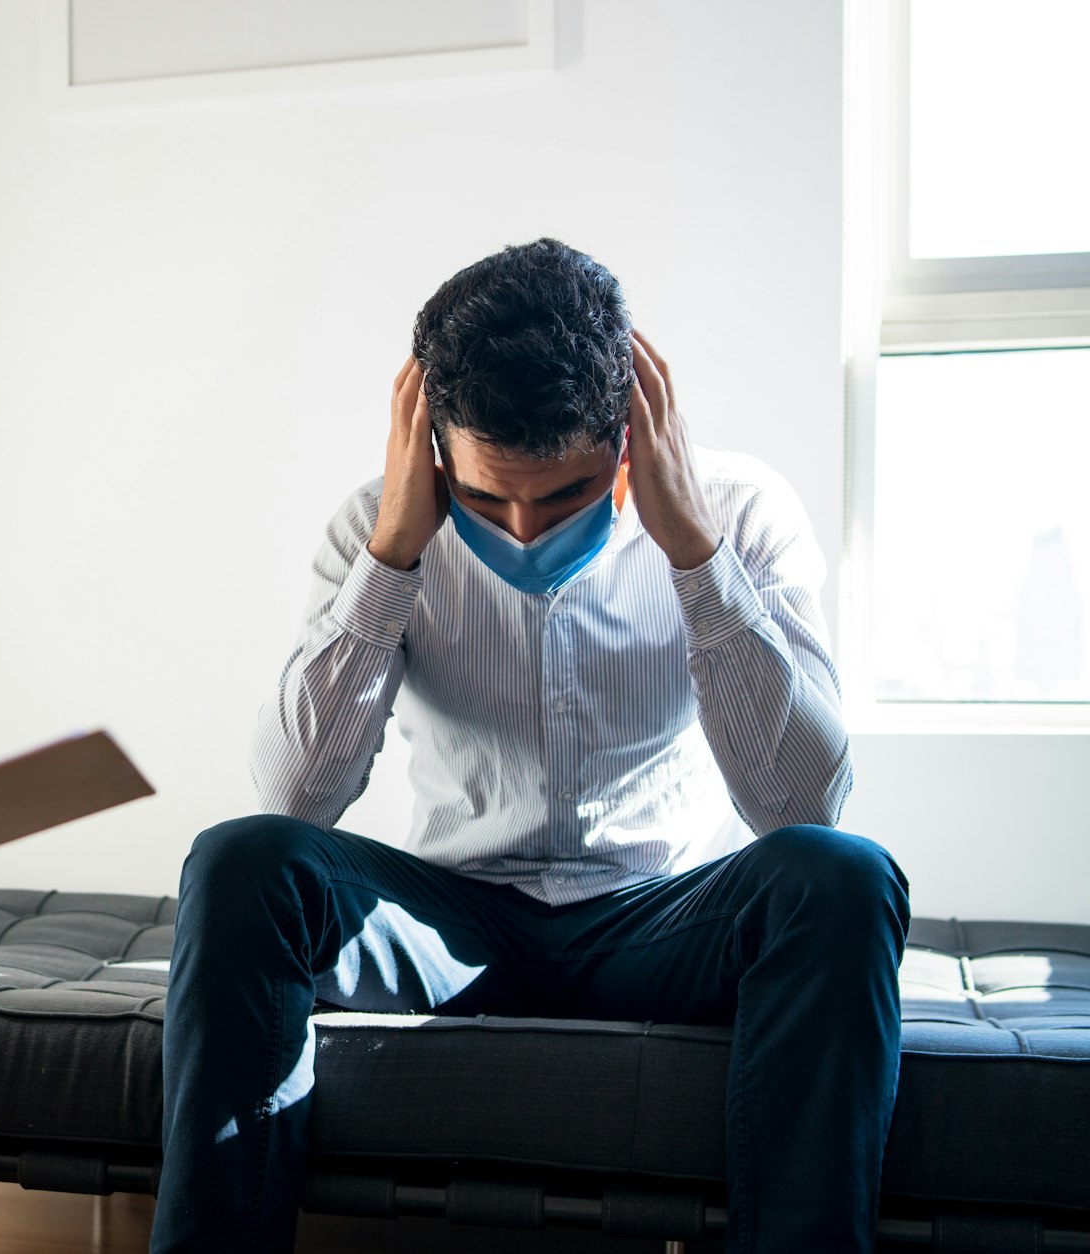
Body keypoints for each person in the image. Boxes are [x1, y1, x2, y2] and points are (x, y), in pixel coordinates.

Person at [151, 239, 909, 1254]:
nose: (518, 528)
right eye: (484, 499)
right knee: (239, 859)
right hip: (457, 922)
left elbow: (801, 803)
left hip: (659, 920)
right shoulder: (378, 526)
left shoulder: (736, 512)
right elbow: (291, 798)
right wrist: (393, 557)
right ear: (431, 449)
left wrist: (694, 555)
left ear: (629, 439)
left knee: (840, 875)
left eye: (560, 496)